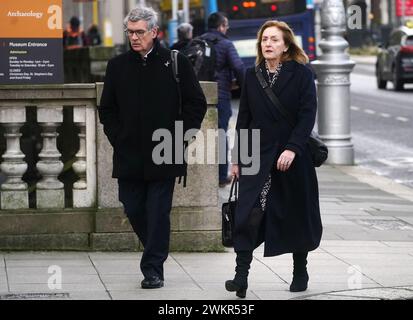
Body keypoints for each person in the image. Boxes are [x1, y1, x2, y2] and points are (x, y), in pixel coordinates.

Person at [98, 6, 207, 289]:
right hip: (129, 154)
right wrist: (117, 137)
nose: (134, 37)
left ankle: (153, 268)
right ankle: (157, 249)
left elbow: (197, 103)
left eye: (139, 32)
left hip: (165, 152)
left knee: (158, 212)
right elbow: (106, 109)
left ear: (154, 32)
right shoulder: (117, 66)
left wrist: (181, 137)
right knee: (133, 207)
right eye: (130, 32)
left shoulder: (176, 62)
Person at [226, 20, 323, 298]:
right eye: (264, 39)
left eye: (274, 40)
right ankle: (240, 277)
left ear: (286, 45)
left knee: (295, 215)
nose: (268, 44)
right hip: (257, 158)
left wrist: (292, 148)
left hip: (293, 158)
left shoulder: (302, 74)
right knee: (246, 215)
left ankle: (300, 270)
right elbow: (243, 119)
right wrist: (237, 159)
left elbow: (307, 115)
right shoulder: (250, 75)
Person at [201, 12, 245, 187]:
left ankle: (203, 175)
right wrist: (245, 89)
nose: (227, 29)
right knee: (220, 134)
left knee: (201, 135)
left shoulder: (198, 42)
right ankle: (220, 175)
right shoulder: (226, 44)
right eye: (226, 26)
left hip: (199, 95)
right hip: (220, 95)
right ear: (220, 26)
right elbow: (239, 67)